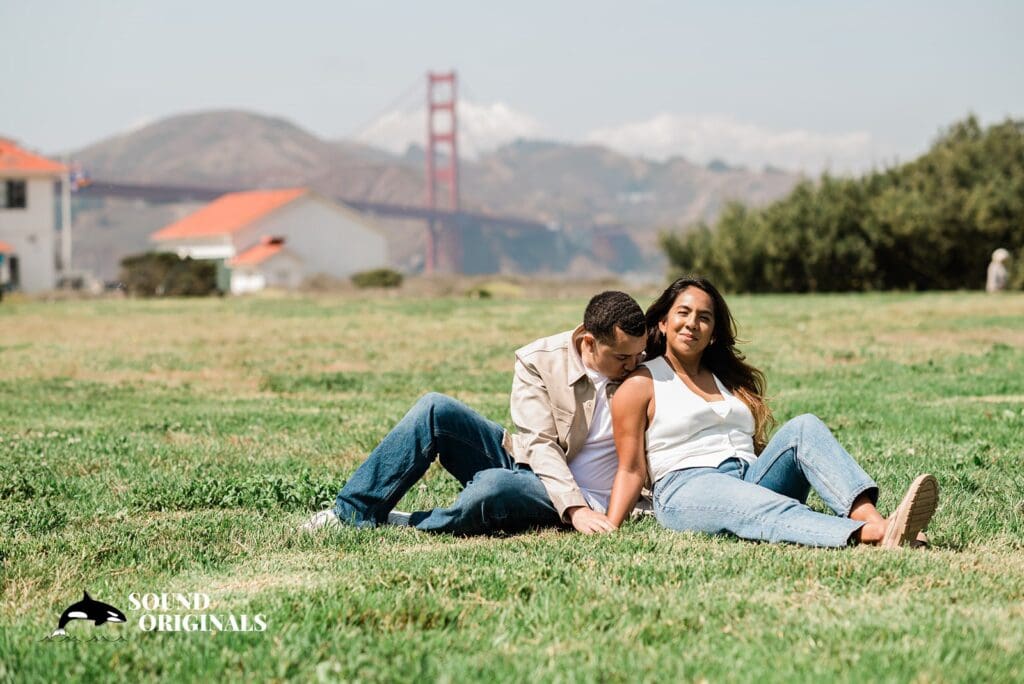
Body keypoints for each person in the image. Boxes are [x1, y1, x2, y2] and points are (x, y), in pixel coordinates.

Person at [605, 276, 938, 548]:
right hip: (687, 487)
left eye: (704, 317)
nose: (692, 323)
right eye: (683, 313)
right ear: (663, 322)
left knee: (804, 427)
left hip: (749, 476)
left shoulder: (726, 378)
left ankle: (873, 520)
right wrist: (610, 526)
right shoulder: (642, 383)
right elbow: (631, 469)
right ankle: (874, 535)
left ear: (713, 333)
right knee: (758, 508)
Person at [301, 290, 648, 536]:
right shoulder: (539, 360)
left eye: (639, 355)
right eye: (622, 358)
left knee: (494, 486)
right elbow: (539, 443)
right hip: (539, 471)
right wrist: (575, 509)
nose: (633, 364)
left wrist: (587, 508)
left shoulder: (646, 370)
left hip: (590, 495)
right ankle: (350, 514)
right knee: (435, 408)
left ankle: (411, 522)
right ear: (589, 342)